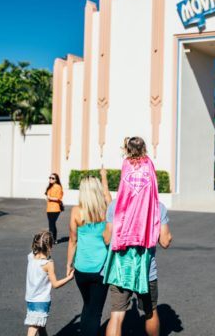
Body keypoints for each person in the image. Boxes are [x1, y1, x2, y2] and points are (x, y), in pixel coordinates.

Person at [102, 136, 172, 336]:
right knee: (150, 312)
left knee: (116, 315)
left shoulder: (115, 207)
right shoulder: (157, 207)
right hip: (146, 270)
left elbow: (107, 239)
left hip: (119, 270)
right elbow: (165, 241)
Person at [66, 169, 112, 336]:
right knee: (95, 311)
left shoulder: (76, 211)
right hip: (101, 270)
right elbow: (107, 195)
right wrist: (104, 177)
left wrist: (68, 264)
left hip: (81, 269)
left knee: (88, 305)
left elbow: (73, 240)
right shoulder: (107, 208)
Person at [25, 230, 73, 336]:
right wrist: (69, 278)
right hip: (41, 301)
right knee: (33, 327)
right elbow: (55, 284)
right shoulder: (48, 264)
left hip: (30, 299)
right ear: (50, 246)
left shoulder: (31, 257)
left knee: (41, 325)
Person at [45, 173, 64, 244]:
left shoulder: (58, 187)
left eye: (52, 178)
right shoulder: (50, 186)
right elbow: (48, 195)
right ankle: (54, 239)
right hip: (49, 208)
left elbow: (59, 198)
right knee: (52, 224)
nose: (50, 179)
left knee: (51, 224)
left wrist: (50, 198)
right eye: (50, 178)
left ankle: (51, 240)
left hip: (55, 209)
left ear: (56, 180)